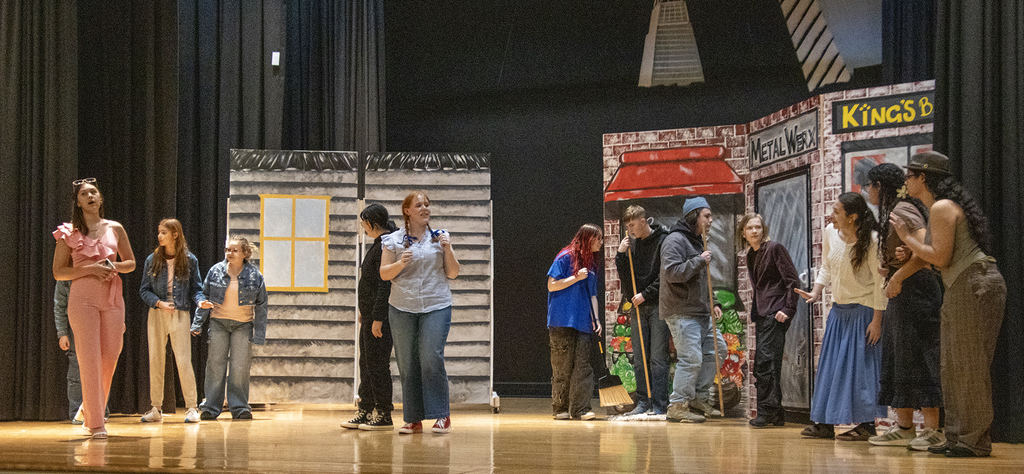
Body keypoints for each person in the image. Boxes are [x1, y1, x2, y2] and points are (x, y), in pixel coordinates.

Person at [891, 151, 1005, 458]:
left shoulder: (942, 207)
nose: (906, 181)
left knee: (968, 367)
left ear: (922, 178)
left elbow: (938, 257)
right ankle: (957, 438)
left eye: (909, 176)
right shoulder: (937, 209)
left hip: (974, 283)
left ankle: (972, 441)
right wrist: (908, 254)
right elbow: (932, 254)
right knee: (953, 367)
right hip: (963, 284)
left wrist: (905, 236)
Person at [860, 164, 944, 450]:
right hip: (902, 292)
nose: (867, 191)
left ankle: (933, 430)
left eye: (869, 185)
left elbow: (927, 254)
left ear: (880, 186)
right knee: (899, 358)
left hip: (918, 291)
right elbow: (912, 251)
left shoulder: (903, 210)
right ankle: (904, 427)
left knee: (921, 356)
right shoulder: (893, 211)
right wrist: (892, 265)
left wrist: (897, 275)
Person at [796, 192, 887, 441]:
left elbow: (880, 284)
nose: (831, 215)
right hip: (839, 311)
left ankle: (867, 425)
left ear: (853, 216)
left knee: (861, 371)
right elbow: (827, 265)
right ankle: (825, 423)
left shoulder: (871, 240)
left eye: (836, 212)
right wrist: (816, 292)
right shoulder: (829, 232)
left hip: (864, 311)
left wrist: (877, 320)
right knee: (831, 368)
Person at [52, 178, 137, 439]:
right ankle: (96, 423)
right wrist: (89, 268)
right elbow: (58, 272)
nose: (90, 196)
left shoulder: (116, 228)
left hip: (112, 298)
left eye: (94, 192)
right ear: (77, 202)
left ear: (100, 198)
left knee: (110, 356)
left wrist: (114, 267)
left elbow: (131, 262)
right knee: (89, 360)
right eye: (84, 194)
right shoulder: (69, 233)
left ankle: (88, 409)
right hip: (83, 299)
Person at [380, 191, 460, 434]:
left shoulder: (440, 237)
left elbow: (453, 273)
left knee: (430, 358)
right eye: (419, 205)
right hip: (402, 307)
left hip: (436, 305)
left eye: (427, 205)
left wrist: (447, 249)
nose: (425, 208)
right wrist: (400, 263)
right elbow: (384, 274)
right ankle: (413, 418)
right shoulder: (392, 240)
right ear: (407, 211)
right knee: (407, 363)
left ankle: (441, 415)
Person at [661, 196, 727, 423]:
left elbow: (703, 280)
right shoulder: (675, 240)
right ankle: (677, 405)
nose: (711, 220)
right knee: (690, 359)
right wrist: (699, 260)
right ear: (694, 216)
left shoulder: (698, 241)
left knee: (717, 350)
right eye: (706, 216)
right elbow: (672, 273)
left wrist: (714, 301)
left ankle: (698, 397)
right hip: (681, 311)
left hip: (700, 310)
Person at [139, 219, 211, 424]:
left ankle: (191, 407)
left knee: (183, 361)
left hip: (180, 313)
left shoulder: (189, 260)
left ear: (175, 235)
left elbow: (196, 289)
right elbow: (144, 290)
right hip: (158, 313)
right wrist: (159, 303)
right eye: (159, 232)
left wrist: (200, 302)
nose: (159, 236)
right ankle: (156, 408)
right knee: (156, 360)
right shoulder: (152, 259)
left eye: (164, 232)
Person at [191, 237, 268, 420]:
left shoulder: (255, 275)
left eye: (234, 250)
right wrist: (197, 323)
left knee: (239, 367)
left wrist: (259, 333)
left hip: (243, 325)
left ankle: (240, 407)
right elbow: (205, 297)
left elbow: (262, 306)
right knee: (215, 366)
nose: (229, 253)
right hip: (219, 322)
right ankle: (210, 407)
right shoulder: (216, 271)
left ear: (244, 254)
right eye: (227, 250)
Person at [739, 213, 801, 428]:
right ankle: (775, 413)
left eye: (758, 227)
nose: (755, 231)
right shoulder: (751, 255)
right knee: (769, 363)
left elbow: (792, 279)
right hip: (763, 313)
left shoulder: (774, 249)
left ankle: (766, 411)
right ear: (743, 233)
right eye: (750, 228)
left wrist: (788, 308)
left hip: (776, 313)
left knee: (764, 363)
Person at [342, 204, 399, 431]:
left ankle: (384, 413)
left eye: (364, 222)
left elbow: (384, 286)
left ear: (371, 222)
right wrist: (364, 312)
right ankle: (365, 410)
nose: (362, 227)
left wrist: (377, 318)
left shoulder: (387, 245)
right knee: (366, 363)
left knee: (377, 364)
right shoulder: (378, 245)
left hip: (379, 319)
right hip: (369, 316)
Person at [614, 206, 668, 416]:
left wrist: (646, 293)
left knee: (657, 357)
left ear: (643, 221)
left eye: (632, 225)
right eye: (627, 226)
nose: (629, 230)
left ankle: (660, 404)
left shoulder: (663, 240)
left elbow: (664, 276)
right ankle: (643, 402)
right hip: (638, 307)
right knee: (639, 357)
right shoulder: (632, 245)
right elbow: (627, 280)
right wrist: (620, 255)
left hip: (656, 306)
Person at [547, 223, 603, 421]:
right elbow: (551, 285)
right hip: (561, 320)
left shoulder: (592, 263)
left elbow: (593, 295)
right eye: (598, 239)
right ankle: (559, 408)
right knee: (562, 367)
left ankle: (581, 409)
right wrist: (575, 278)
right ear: (588, 238)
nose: (601, 243)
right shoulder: (565, 257)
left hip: (584, 321)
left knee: (583, 367)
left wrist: (597, 319)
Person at [53, 280, 81, 423]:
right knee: (76, 369)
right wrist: (62, 333)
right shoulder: (64, 278)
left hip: (96, 325)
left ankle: (100, 412)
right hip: (74, 328)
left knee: (100, 368)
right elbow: (60, 306)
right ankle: (77, 413)